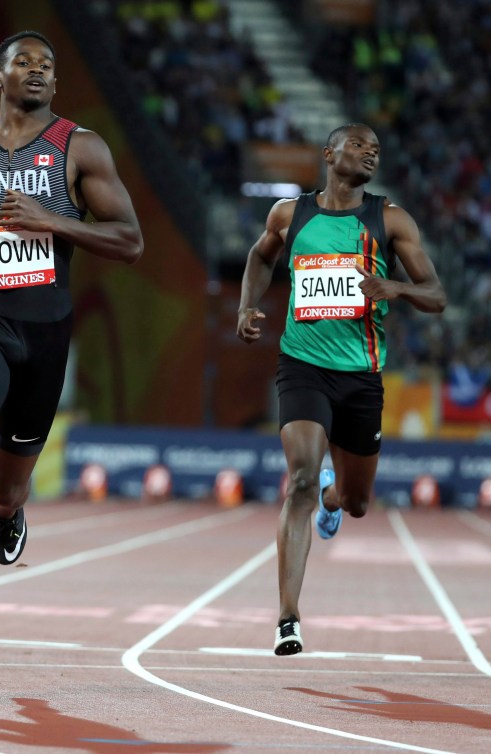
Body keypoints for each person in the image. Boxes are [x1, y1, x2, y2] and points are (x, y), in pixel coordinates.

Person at [0, 31, 144, 648]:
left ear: (56, 84)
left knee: (7, 482)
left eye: (47, 65)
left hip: (42, 336)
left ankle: (8, 514)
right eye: (23, 62)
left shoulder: (80, 148)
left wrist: (51, 220)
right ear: (0, 76)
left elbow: (130, 240)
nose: (36, 70)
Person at [236, 123, 446, 656]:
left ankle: (334, 496)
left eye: (377, 147)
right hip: (302, 365)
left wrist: (395, 286)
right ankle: (288, 617)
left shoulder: (389, 218)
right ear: (329, 154)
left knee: (355, 502)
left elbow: (436, 295)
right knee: (299, 481)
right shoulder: (291, 214)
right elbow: (261, 257)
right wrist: (247, 305)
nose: (371, 151)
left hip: (361, 376)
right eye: (359, 144)